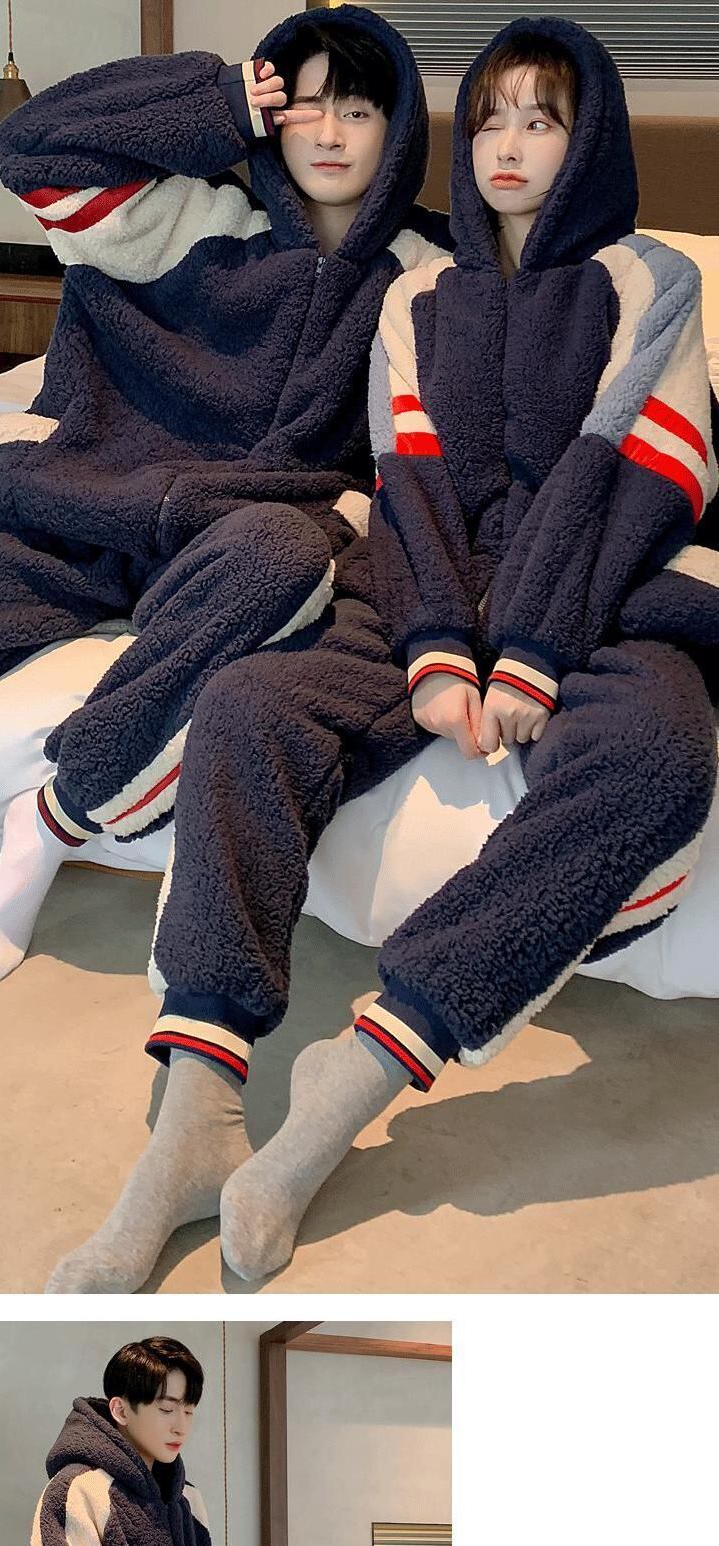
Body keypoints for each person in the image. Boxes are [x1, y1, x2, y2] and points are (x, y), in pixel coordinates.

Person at [213, 17, 719, 1282]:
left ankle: (360, 1069)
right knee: (250, 701)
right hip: (435, 597)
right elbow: (412, 489)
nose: (508, 145)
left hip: (602, 598)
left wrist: (533, 649)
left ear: (588, 143)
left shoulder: (651, 279)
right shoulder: (417, 295)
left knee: (662, 752)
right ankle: (195, 1100)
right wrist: (439, 648)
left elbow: (635, 476)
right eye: (490, 117)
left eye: (541, 122)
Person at [0, 3, 451, 997]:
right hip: (84, 513)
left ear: (398, 129)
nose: (327, 132)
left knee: (284, 554)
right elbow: (31, 146)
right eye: (304, 104)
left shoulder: (428, 276)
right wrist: (216, 101)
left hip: (242, 542)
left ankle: (49, 822)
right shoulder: (179, 216)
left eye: (357, 110)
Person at [31, 1337, 211, 1545]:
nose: (181, 1428)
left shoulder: (189, 1498)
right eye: (166, 1410)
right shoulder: (79, 1491)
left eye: (188, 1412)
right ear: (121, 1411)